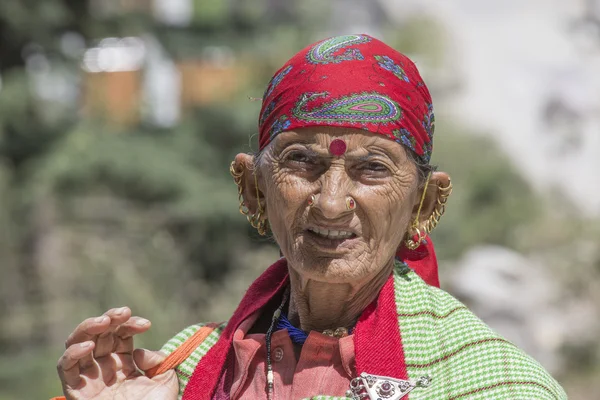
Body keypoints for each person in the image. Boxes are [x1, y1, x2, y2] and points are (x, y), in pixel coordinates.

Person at [54, 34, 567, 400]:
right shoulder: (183, 371)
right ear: (254, 187)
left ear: (424, 204)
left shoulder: (490, 383)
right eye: (302, 161)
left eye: (372, 168)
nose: (329, 201)